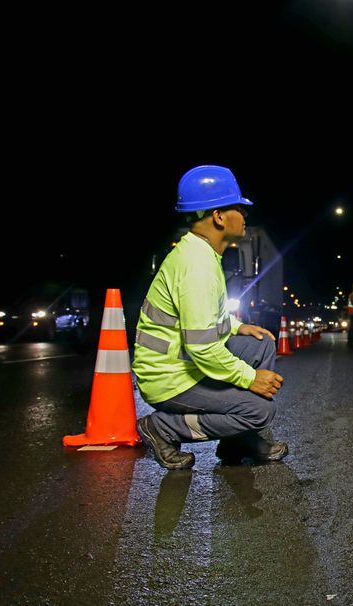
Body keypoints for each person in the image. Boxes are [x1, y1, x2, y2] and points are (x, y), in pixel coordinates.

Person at [132, 165, 288, 470]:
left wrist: (239, 326)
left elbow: (203, 319)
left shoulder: (204, 254)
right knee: (258, 411)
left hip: (183, 364)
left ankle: (236, 441)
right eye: (239, 209)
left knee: (262, 344)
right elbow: (203, 348)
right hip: (170, 379)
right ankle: (162, 428)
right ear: (218, 216)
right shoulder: (197, 266)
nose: (244, 216)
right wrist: (250, 379)